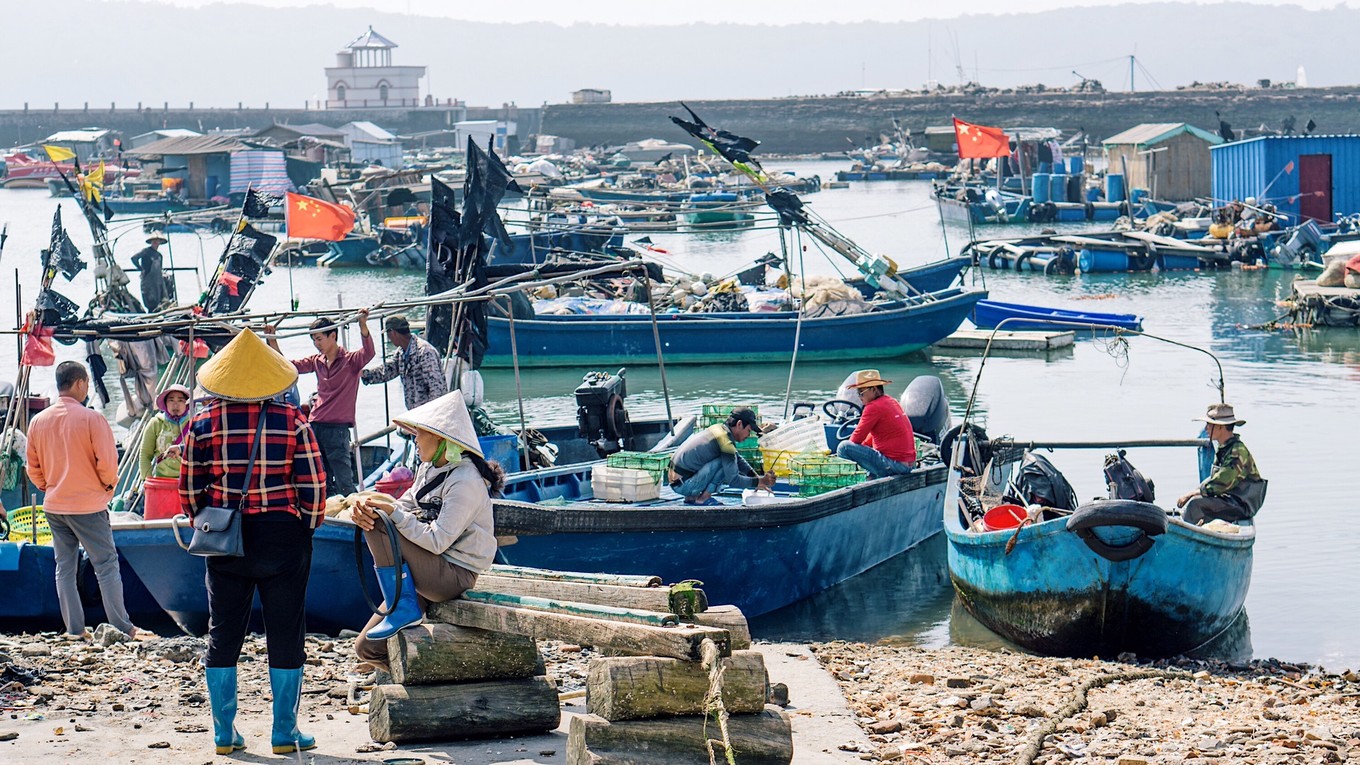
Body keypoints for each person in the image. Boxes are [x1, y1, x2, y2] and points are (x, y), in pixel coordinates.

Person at [180, 328, 327, 756]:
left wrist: (206, 520)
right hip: (283, 534)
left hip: (226, 536)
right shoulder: (294, 421)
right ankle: (285, 733)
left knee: (223, 631)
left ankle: (224, 734)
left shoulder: (201, 423)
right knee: (286, 629)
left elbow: (189, 489)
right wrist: (307, 526)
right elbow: (314, 486)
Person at [351, 390, 501, 672]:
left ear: (441, 439)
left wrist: (391, 512)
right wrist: (370, 507)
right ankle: (417, 679)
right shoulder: (429, 468)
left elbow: (437, 540)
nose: (415, 440)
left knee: (382, 521)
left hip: (453, 574)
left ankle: (404, 607)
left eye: (420, 434)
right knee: (366, 648)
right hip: (426, 572)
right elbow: (405, 505)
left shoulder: (466, 479)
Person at [25, 361, 137, 639]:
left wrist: (49, 488)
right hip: (88, 506)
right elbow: (109, 465)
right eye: (86, 383)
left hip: (54, 505)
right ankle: (121, 627)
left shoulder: (38, 421)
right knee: (106, 565)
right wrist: (108, 489)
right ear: (79, 383)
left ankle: (76, 629)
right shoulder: (92, 419)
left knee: (64, 568)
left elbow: (33, 468)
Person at [268, 309, 374, 497]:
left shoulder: (351, 361)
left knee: (345, 483)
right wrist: (272, 340)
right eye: (314, 340)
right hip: (315, 427)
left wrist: (363, 325)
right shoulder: (317, 361)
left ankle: (353, 521)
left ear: (332, 336)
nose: (317, 344)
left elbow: (369, 352)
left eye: (319, 339)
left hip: (338, 430)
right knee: (319, 480)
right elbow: (288, 367)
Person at [1176, 403, 1265, 525]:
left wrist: (1192, 494)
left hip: (1241, 504)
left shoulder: (1237, 451)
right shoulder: (1224, 448)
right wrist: (1196, 491)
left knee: (1195, 504)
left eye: (1210, 425)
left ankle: (1185, 534)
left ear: (1220, 427)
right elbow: (1213, 479)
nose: (1206, 428)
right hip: (1228, 499)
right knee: (1196, 502)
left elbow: (1221, 482)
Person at [669, 407, 774, 505]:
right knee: (725, 463)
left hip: (678, 481)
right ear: (739, 424)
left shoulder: (718, 429)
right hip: (684, 485)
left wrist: (755, 477)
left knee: (729, 459)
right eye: (748, 431)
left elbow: (737, 458)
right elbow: (733, 480)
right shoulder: (726, 443)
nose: (748, 435)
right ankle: (703, 498)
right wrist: (760, 481)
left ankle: (691, 498)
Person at [835, 369, 917, 479]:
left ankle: (847, 482)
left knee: (843, 447)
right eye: (858, 393)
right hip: (908, 464)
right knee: (870, 450)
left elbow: (855, 439)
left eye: (861, 393)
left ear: (874, 390)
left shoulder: (873, 407)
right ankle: (870, 479)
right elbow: (871, 437)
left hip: (895, 465)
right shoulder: (890, 401)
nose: (859, 397)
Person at [360, 315, 447, 411]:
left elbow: (437, 389)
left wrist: (431, 414)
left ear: (393, 333)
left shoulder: (425, 352)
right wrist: (364, 374)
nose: (388, 338)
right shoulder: (401, 353)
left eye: (388, 334)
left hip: (430, 414)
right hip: (415, 414)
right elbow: (388, 371)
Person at [138, 384, 192, 481]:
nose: (175, 405)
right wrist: (148, 480)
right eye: (171, 400)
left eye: (180, 400)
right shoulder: (156, 423)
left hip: (189, 481)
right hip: (162, 480)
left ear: (187, 404)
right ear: (165, 403)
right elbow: (145, 455)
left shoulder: (195, 422)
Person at [130, 235, 169, 312]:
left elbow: (160, 270)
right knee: (150, 302)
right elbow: (134, 258)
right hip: (148, 282)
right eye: (154, 240)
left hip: (157, 282)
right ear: (151, 242)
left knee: (158, 302)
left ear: (160, 242)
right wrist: (141, 269)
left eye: (157, 240)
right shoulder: (146, 251)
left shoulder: (159, 255)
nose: (155, 242)